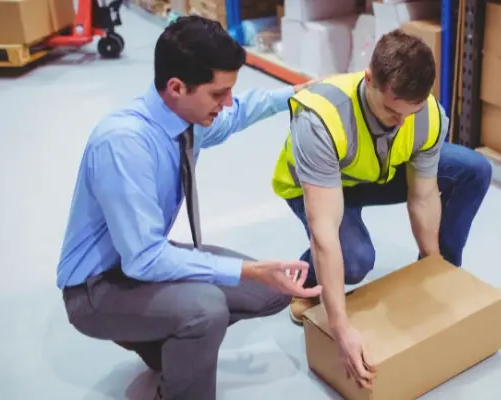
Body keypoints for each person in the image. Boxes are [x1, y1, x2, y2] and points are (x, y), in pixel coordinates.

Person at [56, 16, 321, 400]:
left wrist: (295, 94)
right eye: (218, 93)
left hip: (136, 261)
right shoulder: (124, 144)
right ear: (177, 87)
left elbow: (238, 113)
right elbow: (145, 260)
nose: (225, 103)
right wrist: (249, 269)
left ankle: (163, 342)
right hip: (97, 288)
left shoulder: (185, 117)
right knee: (206, 308)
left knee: (271, 292)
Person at [269, 29, 493, 388]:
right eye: (391, 110)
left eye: (410, 111)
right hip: (318, 185)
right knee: (355, 260)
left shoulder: (428, 114)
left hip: (376, 170)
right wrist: (340, 327)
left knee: (474, 170)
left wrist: (431, 268)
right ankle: (307, 282)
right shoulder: (321, 117)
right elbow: (324, 229)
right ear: (369, 78)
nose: (401, 121)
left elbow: (423, 195)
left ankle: (443, 270)